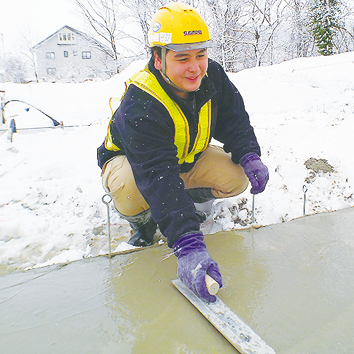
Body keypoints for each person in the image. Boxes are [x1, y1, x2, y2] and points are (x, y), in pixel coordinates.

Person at [97, 2, 269, 302]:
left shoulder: (211, 75)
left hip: (187, 157)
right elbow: (156, 175)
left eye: (200, 55)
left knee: (236, 176)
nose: (195, 67)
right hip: (133, 166)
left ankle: (185, 205)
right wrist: (188, 245)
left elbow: (234, 119)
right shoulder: (141, 101)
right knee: (132, 190)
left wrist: (249, 155)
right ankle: (143, 221)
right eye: (182, 58)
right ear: (159, 59)